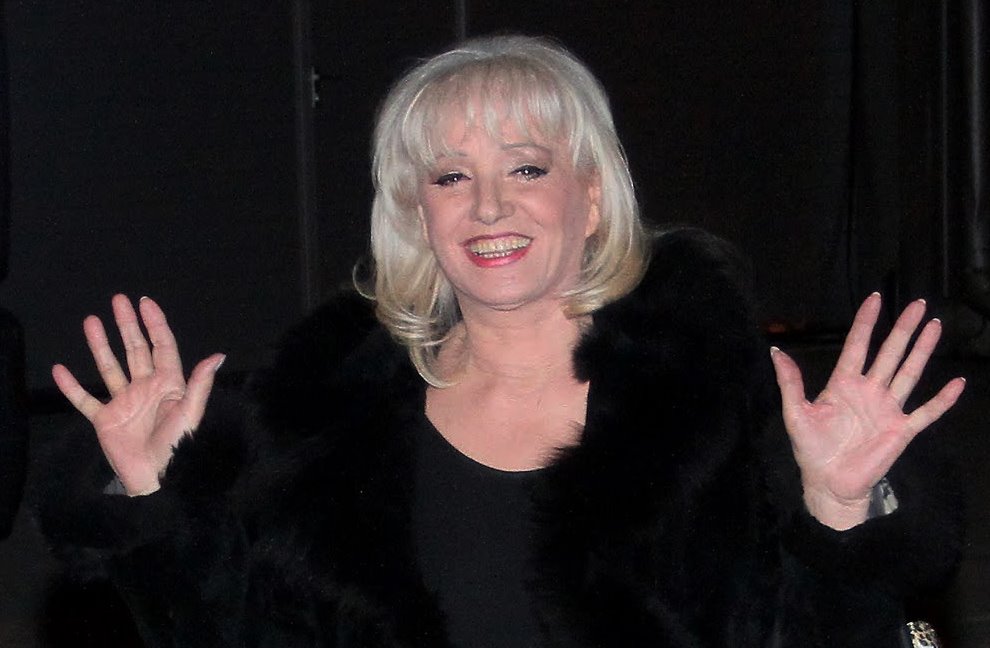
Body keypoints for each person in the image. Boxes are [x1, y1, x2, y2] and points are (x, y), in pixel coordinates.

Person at [37, 35, 965, 647]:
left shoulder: (712, 406)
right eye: (450, 177)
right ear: (417, 213)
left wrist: (841, 512)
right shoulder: (324, 422)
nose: (488, 206)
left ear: (590, 197)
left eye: (526, 168)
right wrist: (153, 502)